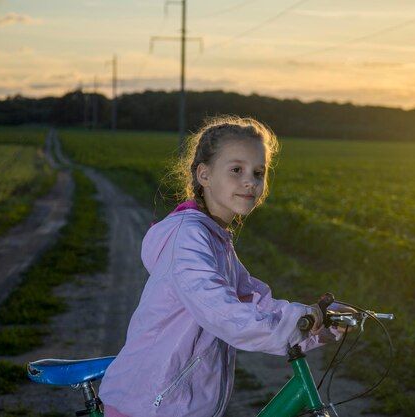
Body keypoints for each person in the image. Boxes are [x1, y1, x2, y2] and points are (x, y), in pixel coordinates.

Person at [99, 115, 340, 417]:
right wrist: (293, 323)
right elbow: (222, 312)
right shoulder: (188, 237)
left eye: (258, 172)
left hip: (177, 406)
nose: (250, 181)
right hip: (149, 406)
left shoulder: (216, 239)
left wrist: (320, 325)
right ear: (204, 175)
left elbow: (255, 302)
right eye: (236, 170)